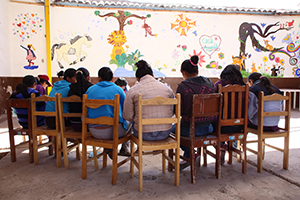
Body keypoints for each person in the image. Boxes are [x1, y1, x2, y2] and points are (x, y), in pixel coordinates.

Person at [174, 55, 215, 170]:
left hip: (189, 130)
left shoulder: (183, 86)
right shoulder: (210, 84)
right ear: (197, 71)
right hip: (208, 128)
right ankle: (189, 156)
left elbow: (179, 112)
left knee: (172, 131)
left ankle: (191, 154)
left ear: (184, 72)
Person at [123, 60, 175, 141]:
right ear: (153, 75)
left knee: (133, 123)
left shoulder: (133, 90)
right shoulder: (167, 89)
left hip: (143, 134)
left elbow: (127, 116)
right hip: (165, 132)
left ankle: (138, 150)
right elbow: (171, 113)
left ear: (137, 78)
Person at [85, 67, 130, 156]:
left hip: (94, 131)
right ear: (112, 78)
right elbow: (126, 109)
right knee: (131, 120)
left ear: (99, 78)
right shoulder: (118, 90)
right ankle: (124, 148)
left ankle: (109, 148)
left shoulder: (90, 90)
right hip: (114, 132)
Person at [214, 64, 246, 164]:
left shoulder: (219, 85)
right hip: (240, 126)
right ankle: (231, 146)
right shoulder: (244, 87)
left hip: (221, 127)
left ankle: (221, 146)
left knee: (208, 126)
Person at [68, 67, 93, 131]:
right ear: (88, 77)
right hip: (88, 126)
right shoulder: (91, 88)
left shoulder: (71, 88)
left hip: (73, 124)